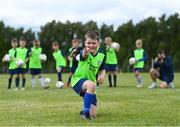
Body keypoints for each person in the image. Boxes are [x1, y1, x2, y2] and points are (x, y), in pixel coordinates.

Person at [71, 30, 106, 120]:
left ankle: (85, 110)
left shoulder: (101, 55)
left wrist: (102, 75)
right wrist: (85, 53)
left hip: (91, 84)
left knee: (93, 114)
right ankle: (85, 114)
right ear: (85, 43)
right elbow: (84, 55)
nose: (91, 45)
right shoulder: (85, 52)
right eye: (88, 43)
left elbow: (102, 68)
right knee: (91, 84)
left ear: (98, 43)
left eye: (94, 43)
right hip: (78, 80)